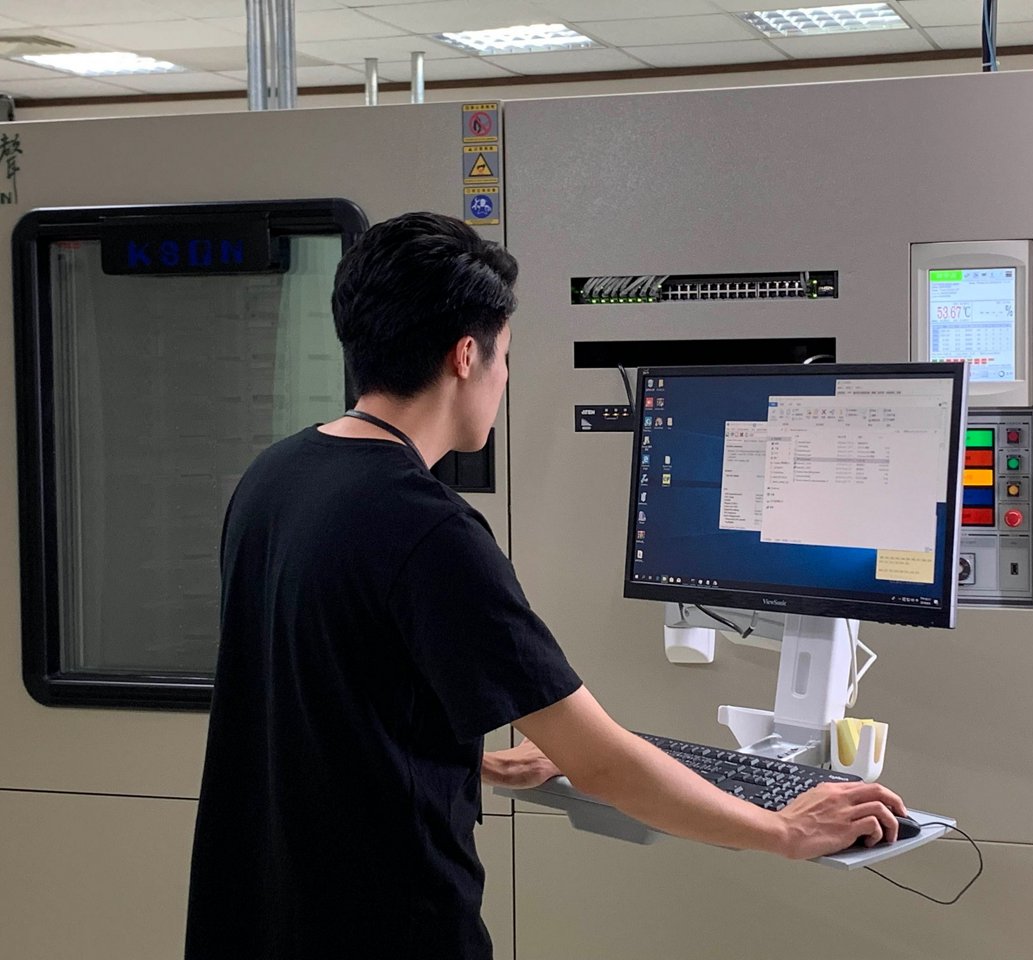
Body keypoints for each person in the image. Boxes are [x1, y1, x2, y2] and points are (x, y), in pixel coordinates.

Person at [185, 212, 907, 960]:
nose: (504, 378)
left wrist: (473, 758)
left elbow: (319, 699)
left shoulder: (274, 478)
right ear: (466, 355)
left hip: (256, 917)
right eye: (505, 357)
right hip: (384, 927)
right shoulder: (428, 528)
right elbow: (603, 764)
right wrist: (785, 828)